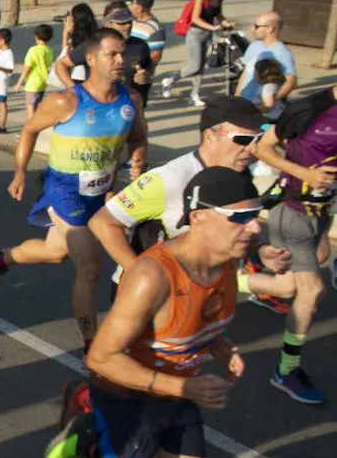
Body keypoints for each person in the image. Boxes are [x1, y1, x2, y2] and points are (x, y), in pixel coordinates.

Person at [44, 167, 258, 458]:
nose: (254, 226)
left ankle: (91, 438)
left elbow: (197, 316)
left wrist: (220, 345)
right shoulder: (151, 276)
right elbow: (101, 357)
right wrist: (183, 385)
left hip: (179, 395)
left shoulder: (225, 262)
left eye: (256, 215)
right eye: (240, 218)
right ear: (199, 217)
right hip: (127, 397)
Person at [0, 29, 148, 354]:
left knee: (55, 252)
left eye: (122, 54)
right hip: (64, 190)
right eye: (111, 54)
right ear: (90, 58)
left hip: (101, 193)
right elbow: (28, 131)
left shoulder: (131, 99)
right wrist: (19, 173)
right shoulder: (65, 100)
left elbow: (137, 138)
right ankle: (94, 347)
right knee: (90, 267)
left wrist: (138, 159)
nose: (119, 61)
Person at [90, 96, 294, 312]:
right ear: (211, 136)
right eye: (243, 140)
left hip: (199, 292)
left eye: (258, 141)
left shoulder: (238, 177)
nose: (253, 150)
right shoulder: (170, 178)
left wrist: (259, 250)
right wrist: (142, 275)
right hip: (147, 297)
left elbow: (232, 227)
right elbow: (103, 223)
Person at [254, 85, 337, 404]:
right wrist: (305, 173)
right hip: (292, 210)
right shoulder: (310, 108)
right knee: (313, 290)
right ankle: (286, 370)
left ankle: (235, 277)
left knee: (289, 287)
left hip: (321, 213)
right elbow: (264, 148)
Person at [159, 0, 232, 108]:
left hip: (207, 34)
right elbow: (195, 18)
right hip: (195, 34)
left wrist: (225, 22)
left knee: (201, 67)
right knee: (195, 65)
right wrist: (213, 27)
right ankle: (170, 80)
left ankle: (194, 94)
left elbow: (218, 14)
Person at [235, 12, 298, 107]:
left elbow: (291, 82)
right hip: (245, 102)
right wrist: (237, 96)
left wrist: (271, 102)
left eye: (257, 26)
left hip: (260, 106)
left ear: (270, 29)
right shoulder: (254, 46)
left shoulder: (282, 52)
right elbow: (245, 73)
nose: (252, 29)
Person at [12, 24, 55, 117]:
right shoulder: (49, 50)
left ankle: (30, 130)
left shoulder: (33, 50)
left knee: (30, 109)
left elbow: (27, 67)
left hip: (32, 84)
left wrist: (18, 83)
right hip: (42, 83)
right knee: (37, 108)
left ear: (36, 36)